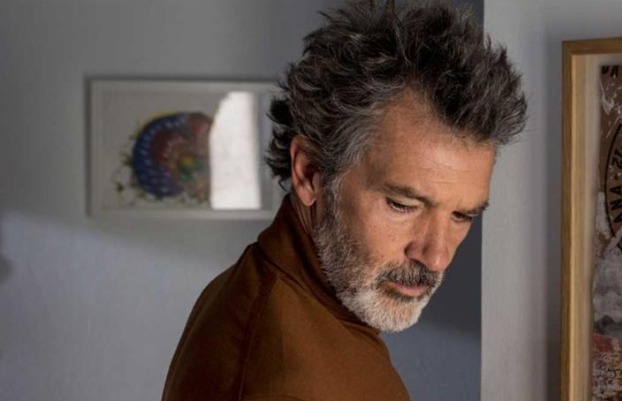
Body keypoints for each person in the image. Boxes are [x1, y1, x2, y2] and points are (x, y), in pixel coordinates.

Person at [160, 1, 526, 401]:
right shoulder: (285, 380)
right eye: (403, 205)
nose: (436, 257)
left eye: (461, 215)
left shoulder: (285, 295)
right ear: (309, 173)